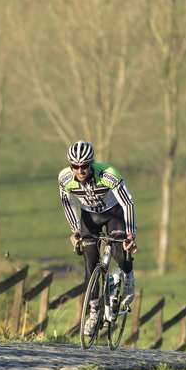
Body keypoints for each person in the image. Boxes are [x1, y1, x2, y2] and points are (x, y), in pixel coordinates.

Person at [58, 140, 137, 336]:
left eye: (84, 166)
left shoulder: (108, 174)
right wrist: (75, 230)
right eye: (75, 166)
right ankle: (93, 313)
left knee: (120, 253)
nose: (80, 170)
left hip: (114, 214)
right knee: (89, 264)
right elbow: (67, 204)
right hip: (89, 216)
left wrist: (130, 234)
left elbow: (128, 203)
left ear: (91, 164)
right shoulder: (65, 178)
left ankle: (126, 273)